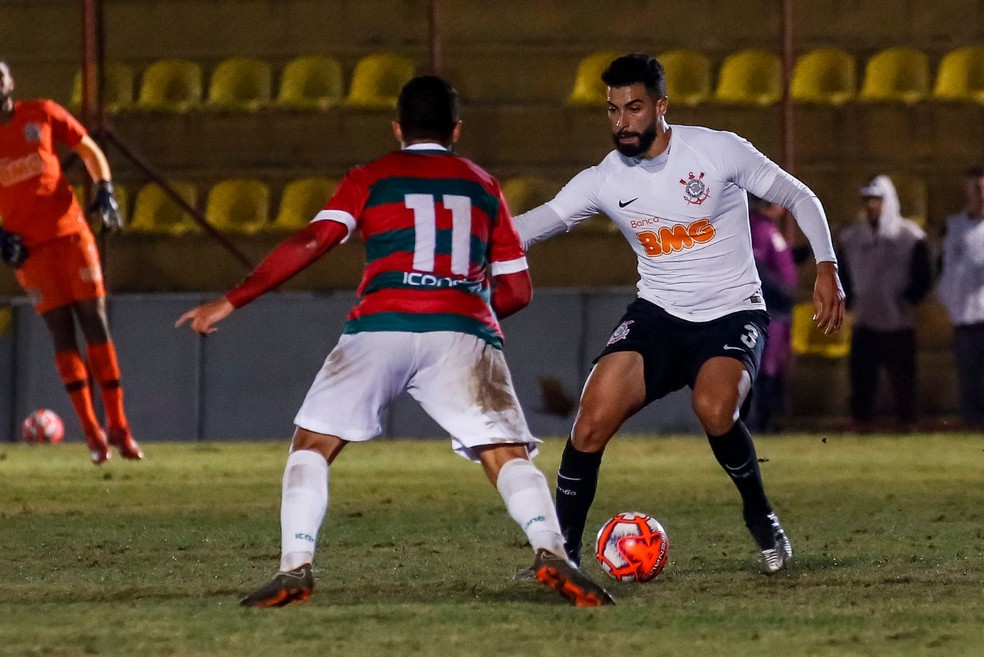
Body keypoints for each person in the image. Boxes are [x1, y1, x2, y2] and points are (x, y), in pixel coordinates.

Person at [176, 76, 613, 608]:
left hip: (378, 327)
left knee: (313, 447)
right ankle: (553, 552)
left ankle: (295, 565)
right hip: (463, 332)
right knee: (506, 454)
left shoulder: (371, 177)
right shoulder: (483, 185)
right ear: (456, 130)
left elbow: (314, 239)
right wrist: (461, 306)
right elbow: (518, 290)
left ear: (397, 128)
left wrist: (232, 300)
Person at [514, 53, 845, 574]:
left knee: (715, 410)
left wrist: (826, 264)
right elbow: (534, 225)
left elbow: (798, 196)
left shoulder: (716, 150)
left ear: (661, 106)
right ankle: (560, 556)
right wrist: (470, 246)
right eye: (612, 109)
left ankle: (760, 517)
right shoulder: (604, 179)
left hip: (732, 313)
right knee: (588, 427)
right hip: (657, 316)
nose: (622, 121)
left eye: (634, 107)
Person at [0, 60, 142, 465]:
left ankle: (119, 426)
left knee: (94, 319)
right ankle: (93, 433)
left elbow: (88, 148)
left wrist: (106, 190)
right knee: (61, 333)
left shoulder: (41, 112)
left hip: (71, 233)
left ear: (11, 81)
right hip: (31, 249)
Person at [839, 175, 933, 431]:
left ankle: (907, 425)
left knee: (903, 382)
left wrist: (909, 299)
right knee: (862, 383)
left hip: (898, 321)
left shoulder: (910, 237)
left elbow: (924, 275)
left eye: (877, 200)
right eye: (867, 199)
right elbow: (842, 273)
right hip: (865, 320)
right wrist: (847, 303)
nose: (871, 205)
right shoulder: (852, 238)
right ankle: (862, 427)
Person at [743, 194, 798, 433]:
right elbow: (757, 267)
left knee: (774, 365)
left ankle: (768, 421)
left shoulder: (770, 229)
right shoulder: (758, 228)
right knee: (764, 366)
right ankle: (756, 423)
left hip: (779, 311)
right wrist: (780, 292)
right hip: (768, 310)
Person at [937, 166, 984, 427]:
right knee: (969, 377)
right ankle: (971, 424)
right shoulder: (956, 227)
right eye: (974, 188)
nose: (979, 193)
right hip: (966, 318)